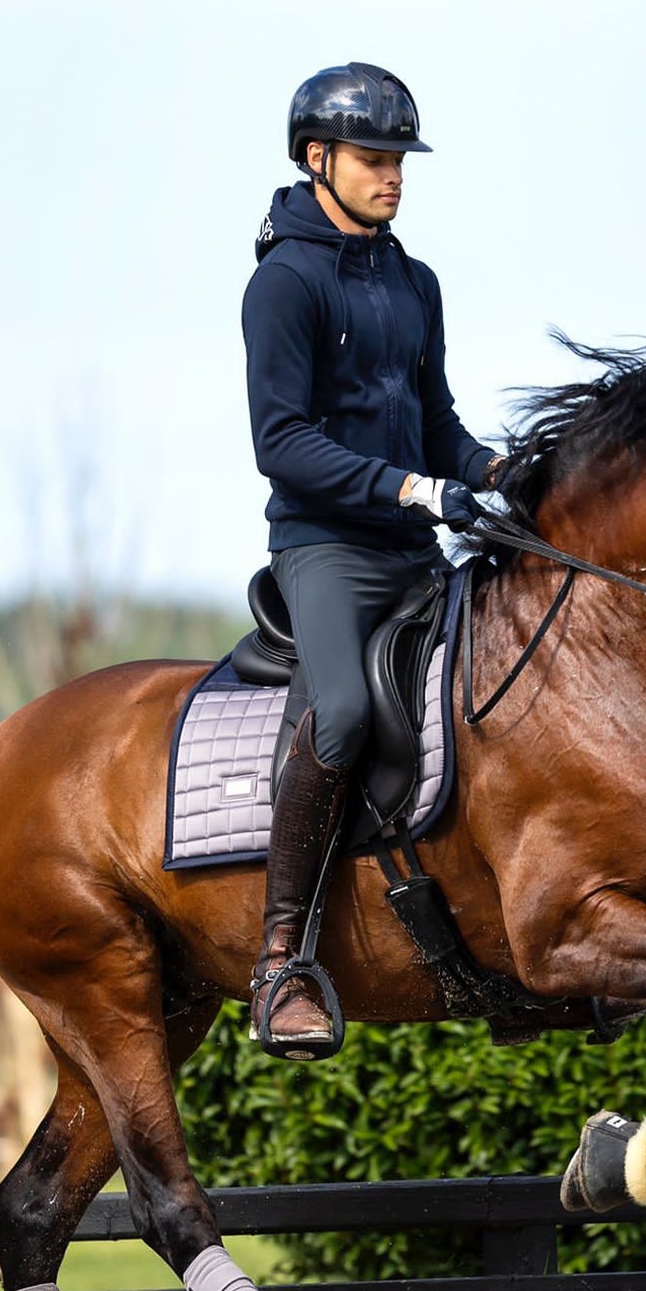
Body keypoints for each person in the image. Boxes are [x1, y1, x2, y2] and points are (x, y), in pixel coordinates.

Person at [243, 62, 504, 1052]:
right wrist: (407, 487)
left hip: (414, 543)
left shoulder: (413, 281)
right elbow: (283, 441)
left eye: (400, 160)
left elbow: (435, 423)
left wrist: (494, 469)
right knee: (344, 711)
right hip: (327, 548)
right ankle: (282, 958)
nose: (392, 175)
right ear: (318, 159)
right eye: (373, 158)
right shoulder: (283, 283)